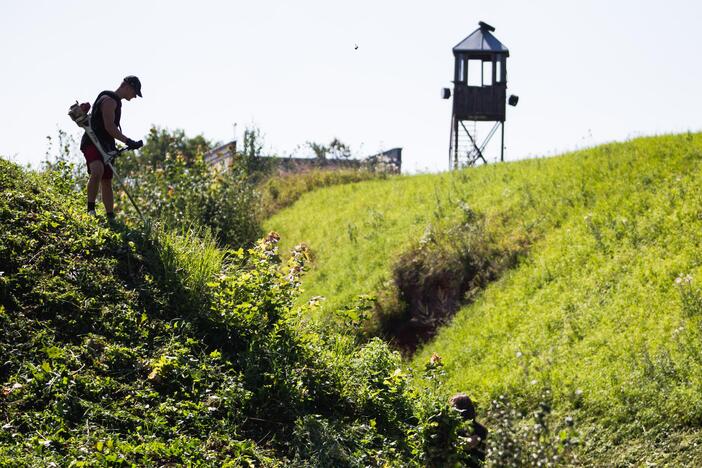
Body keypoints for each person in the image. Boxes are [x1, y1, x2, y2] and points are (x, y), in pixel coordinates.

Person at [80, 75, 144, 218]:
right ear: (127, 86)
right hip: (93, 142)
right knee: (97, 170)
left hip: (107, 145)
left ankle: (110, 217)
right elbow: (109, 127)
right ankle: (90, 210)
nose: (134, 97)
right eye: (134, 93)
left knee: (107, 180)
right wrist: (128, 141)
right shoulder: (109, 101)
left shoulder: (114, 101)